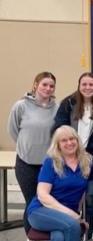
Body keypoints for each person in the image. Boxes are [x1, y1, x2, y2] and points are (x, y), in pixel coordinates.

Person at [16, 125, 91, 241]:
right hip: (40, 211)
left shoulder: (86, 161)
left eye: (72, 138)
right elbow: (43, 195)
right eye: (64, 140)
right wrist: (75, 216)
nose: (69, 142)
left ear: (77, 140)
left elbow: (82, 194)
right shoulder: (52, 162)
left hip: (64, 219)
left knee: (59, 239)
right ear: (57, 145)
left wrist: (77, 213)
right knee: (72, 226)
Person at [52, 72, 93, 241]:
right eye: (84, 84)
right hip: (69, 159)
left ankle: (89, 235)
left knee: (91, 198)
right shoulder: (68, 103)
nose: (87, 88)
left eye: (91, 85)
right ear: (79, 86)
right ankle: (70, 231)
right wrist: (72, 150)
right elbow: (59, 128)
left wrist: (87, 152)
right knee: (68, 196)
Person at [8, 72, 59, 232]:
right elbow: (13, 131)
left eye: (51, 86)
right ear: (36, 84)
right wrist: (28, 146)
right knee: (32, 202)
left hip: (48, 165)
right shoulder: (21, 106)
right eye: (44, 84)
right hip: (26, 164)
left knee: (47, 202)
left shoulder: (57, 108)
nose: (48, 88)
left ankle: (47, 238)